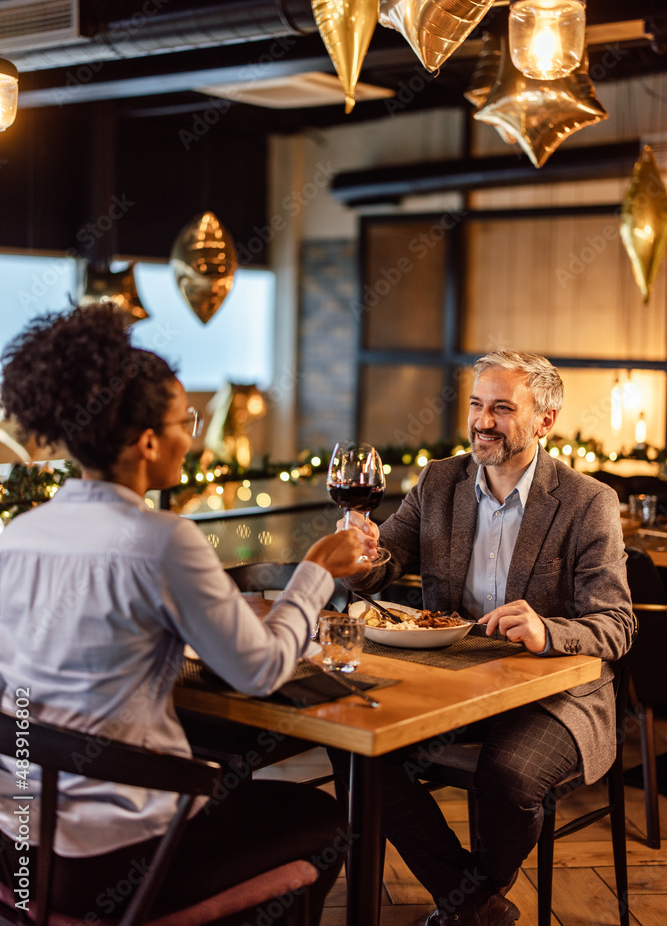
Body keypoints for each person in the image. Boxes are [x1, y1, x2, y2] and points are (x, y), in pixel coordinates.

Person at [0, 303, 371, 924]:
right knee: (329, 818)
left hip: (16, 847)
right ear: (148, 441)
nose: (192, 434)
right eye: (183, 421)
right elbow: (259, 672)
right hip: (107, 865)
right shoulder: (161, 539)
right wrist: (316, 572)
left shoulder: (18, 535)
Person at [336, 351, 634, 926]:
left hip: (556, 694)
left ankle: (468, 900)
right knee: (358, 750)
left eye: (501, 408)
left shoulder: (587, 502)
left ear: (545, 419)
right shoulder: (439, 481)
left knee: (509, 776)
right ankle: (473, 901)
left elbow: (616, 625)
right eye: (476, 404)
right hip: (454, 680)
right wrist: (361, 552)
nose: (482, 421)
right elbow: (382, 567)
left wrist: (548, 630)